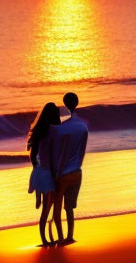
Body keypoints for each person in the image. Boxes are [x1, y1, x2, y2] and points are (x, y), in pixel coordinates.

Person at [50, 91, 88, 246]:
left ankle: (58, 238)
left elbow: (59, 152)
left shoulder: (62, 128)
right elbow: (82, 151)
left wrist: (56, 171)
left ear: (65, 104)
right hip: (77, 172)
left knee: (57, 206)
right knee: (69, 207)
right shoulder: (83, 126)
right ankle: (70, 236)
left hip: (63, 173)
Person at [27, 102, 61, 247]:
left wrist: (38, 171)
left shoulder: (39, 132)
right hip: (48, 173)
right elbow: (56, 155)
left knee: (47, 207)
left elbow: (33, 156)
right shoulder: (54, 132)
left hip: (40, 171)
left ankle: (38, 196)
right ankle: (45, 239)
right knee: (50, 207)